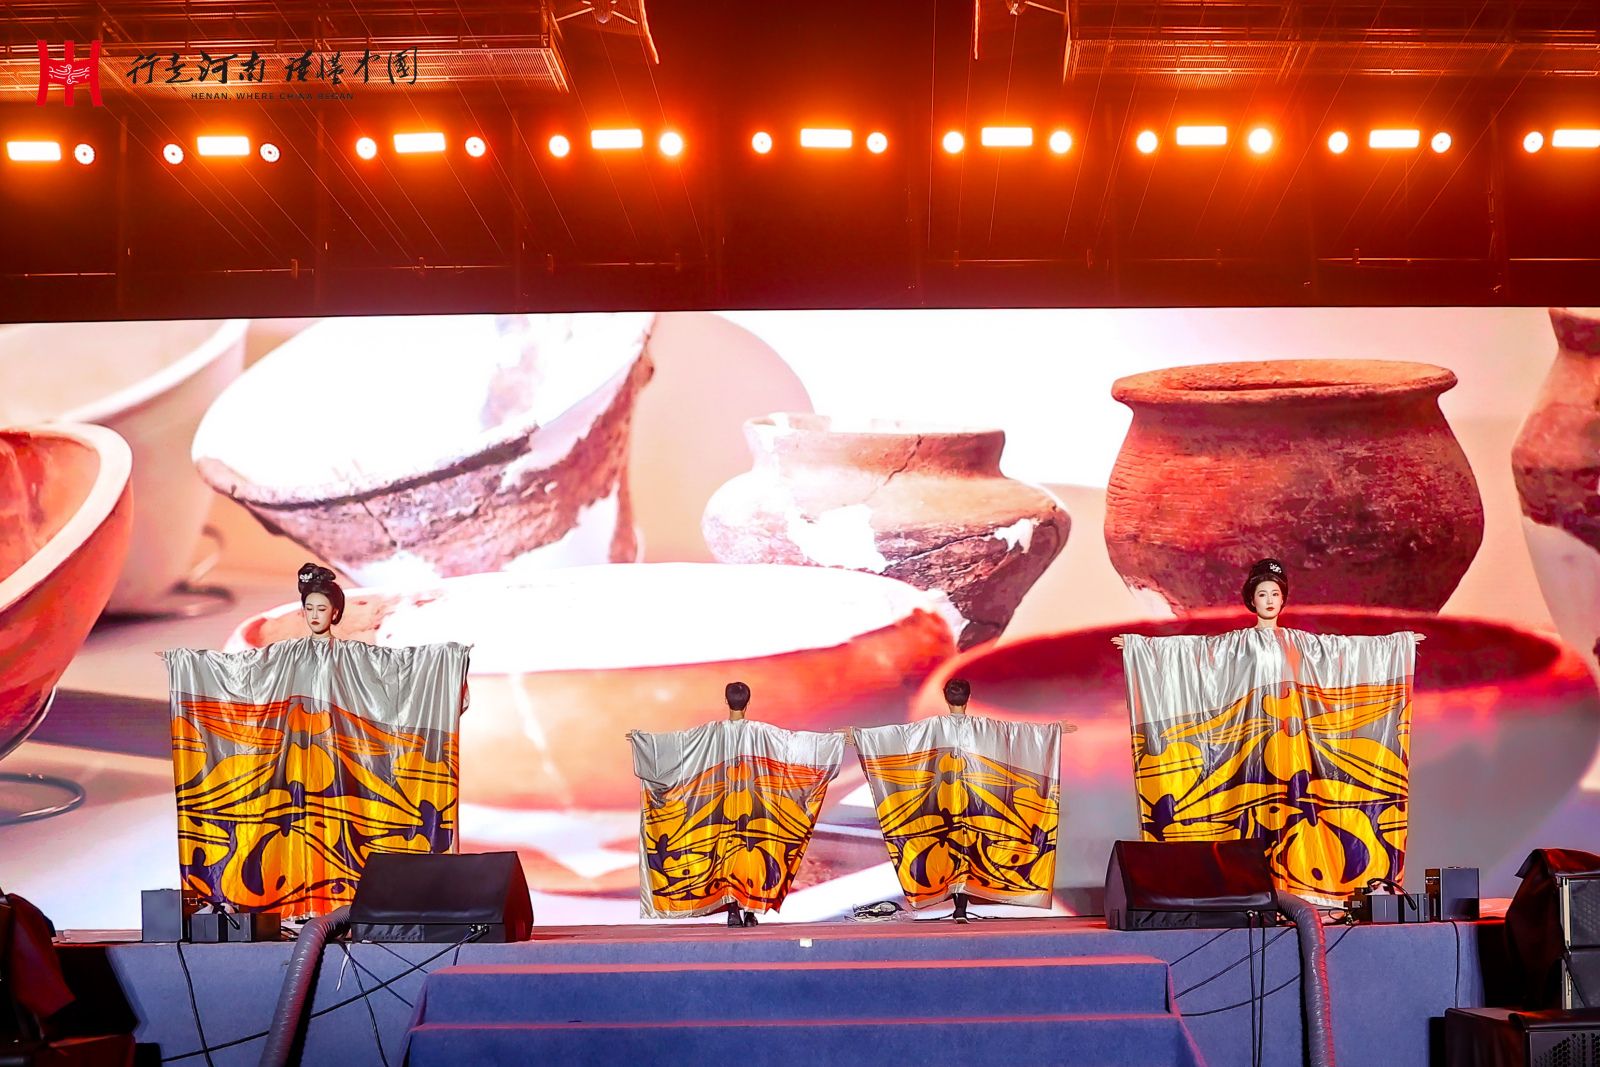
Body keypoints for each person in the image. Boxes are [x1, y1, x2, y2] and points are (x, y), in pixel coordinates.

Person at [1112, 557, 1424, 904]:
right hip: (1251, 748)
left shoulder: (1301, 644)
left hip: (1291, 750)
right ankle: (1245, 892)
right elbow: (1192, 653)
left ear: (1283, 598)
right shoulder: (1236, 645)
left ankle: (1299, 887)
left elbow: (1346, 650)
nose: (1270, 600)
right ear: (1252, 600)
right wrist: (1141, 649)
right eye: (1262, 594)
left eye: (1275, 593)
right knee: (1249, 815)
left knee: (1294, 810)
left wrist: (1397, 645)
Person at [627, 682, 844, 931]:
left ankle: (733, 911)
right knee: (750, 853)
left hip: (720, 809)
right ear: (748, 702)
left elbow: (679, 746)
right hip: (754, 806)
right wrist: (835, 741)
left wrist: (642, 742)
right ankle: (749, 911)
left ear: (726, 701)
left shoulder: (711, 733)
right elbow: (793, 745)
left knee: (726, 854)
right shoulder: (761, 733)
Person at [847, 678, 1067, 923]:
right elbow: (1015, 734)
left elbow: (899, 736)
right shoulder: (984, 728)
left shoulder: (933, 727)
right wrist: (1052, 731)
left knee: (951, 847)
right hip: (975, 799)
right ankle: (961, 906)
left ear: (946, 697)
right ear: (969, 698)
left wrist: (859, 736)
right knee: (970, 846)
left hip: (945, 801)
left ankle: (959, 906)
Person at [297, 563, 345, 641]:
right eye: (309, 609)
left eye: (321, 609)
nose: (314, 616)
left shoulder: (351, 648)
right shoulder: (289, 647)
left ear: (335, 613)